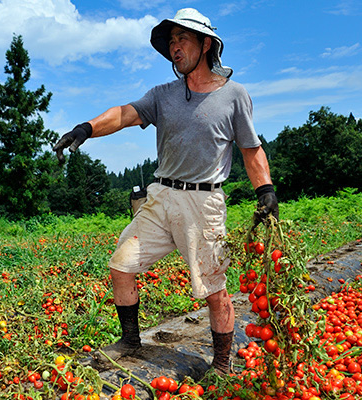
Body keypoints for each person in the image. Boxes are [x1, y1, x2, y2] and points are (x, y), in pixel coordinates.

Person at [53, 8, 278, 374]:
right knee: (121, 265)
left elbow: (251, 150)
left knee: (213, 288)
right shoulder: (163, 95)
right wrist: (86, 128)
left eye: (182, 40)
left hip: (203, 202)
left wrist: (265, 190)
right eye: (171, 42)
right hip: (161, 196)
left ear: (206, 44)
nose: (175, 48)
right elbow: (125, 114)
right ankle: (130, 340)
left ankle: (222, 364)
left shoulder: (234, 95)